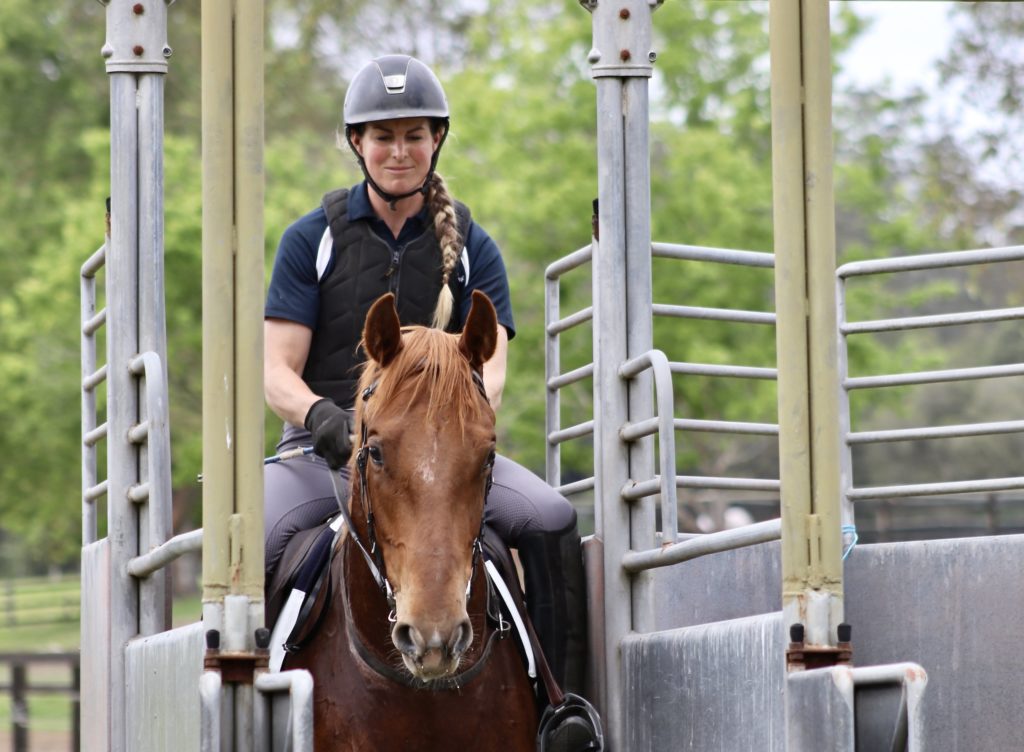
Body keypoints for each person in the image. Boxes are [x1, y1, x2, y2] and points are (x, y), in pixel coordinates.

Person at [262, 54, 588, 701]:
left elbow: (490, 367)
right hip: (323, 450)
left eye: (414, 135)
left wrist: (450, 431)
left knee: (551, 520)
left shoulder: (473, 245)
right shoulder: (312, 239)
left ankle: (563, 709)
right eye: (383, 136)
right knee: (258, 536)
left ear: (436, 140)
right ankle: (247, 719)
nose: (399, 151)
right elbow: (276, 371)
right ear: (358, 144)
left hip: (448, 454)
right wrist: (324, 419)